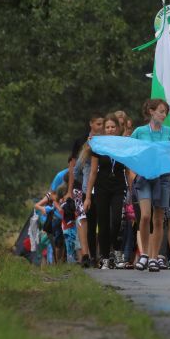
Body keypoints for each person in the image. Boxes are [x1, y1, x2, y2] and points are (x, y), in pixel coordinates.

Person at [129, 98, 170, 272]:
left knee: (158, 219)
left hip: (163, 178)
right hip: (143, 178)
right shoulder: (139, 132)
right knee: (144, 217)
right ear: (151, 112)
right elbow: (126, 149)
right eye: (160, 111)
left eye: (165, 112)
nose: (163, 115)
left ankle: (153, 257)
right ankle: (144, 254)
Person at [84, 114, 133, 269]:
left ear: (117, 129)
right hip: (102, 187)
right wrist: (87, 197)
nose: (111, 130)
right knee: (103, 223)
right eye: (107, 127)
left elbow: (127, 170)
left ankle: (117, 251)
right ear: (104, 130)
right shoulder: (98, 146)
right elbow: (92, 172)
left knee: (117, 221)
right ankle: (105, 257)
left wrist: (132, 190)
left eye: (113, 127)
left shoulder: (123, 145)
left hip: (119, 187)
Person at [67, 113, 104, 266]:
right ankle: (85, 253)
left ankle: (98, 254)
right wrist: (70, 190)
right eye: (98, 124)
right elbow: (73, 167)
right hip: (82, 186)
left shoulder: (107, 142)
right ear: (91, 124)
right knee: (83, 218)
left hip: (100, 186)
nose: (100, 128)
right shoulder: (82, 141)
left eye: (103, 124)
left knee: (97, 219)